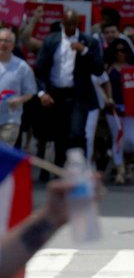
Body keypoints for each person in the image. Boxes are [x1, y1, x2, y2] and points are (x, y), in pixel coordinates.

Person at [34, 10, 104, 169]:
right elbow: (39, 70)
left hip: (78, 95)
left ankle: (79, 167)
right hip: (56, 94)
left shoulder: (88, 42)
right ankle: (60, 168)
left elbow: (99, 69)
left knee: (77, 132)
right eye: (68, 24)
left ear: (78, 24)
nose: (71, 28)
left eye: (74, 25)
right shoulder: (51, 41)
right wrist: (42, 93)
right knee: (59, 134)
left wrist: (84, 51)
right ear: (62, 24)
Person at [104, 38, 134, 184]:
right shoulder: (109, 68)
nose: (120, 54)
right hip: (114, 109)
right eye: (117, 51)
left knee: (131, 140)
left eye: (123, 51)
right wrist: (108, 99)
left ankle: (128, 162)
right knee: (117, 139)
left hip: (130, 110)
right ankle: (120, 170)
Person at [0, 29, 37, 146]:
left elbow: (30, 91)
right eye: (0, 40)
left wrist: (19, 100)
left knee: (3, 156)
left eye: (6, 41)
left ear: (13, 45)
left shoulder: (21, 67)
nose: (3, 44)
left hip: (10, 120)